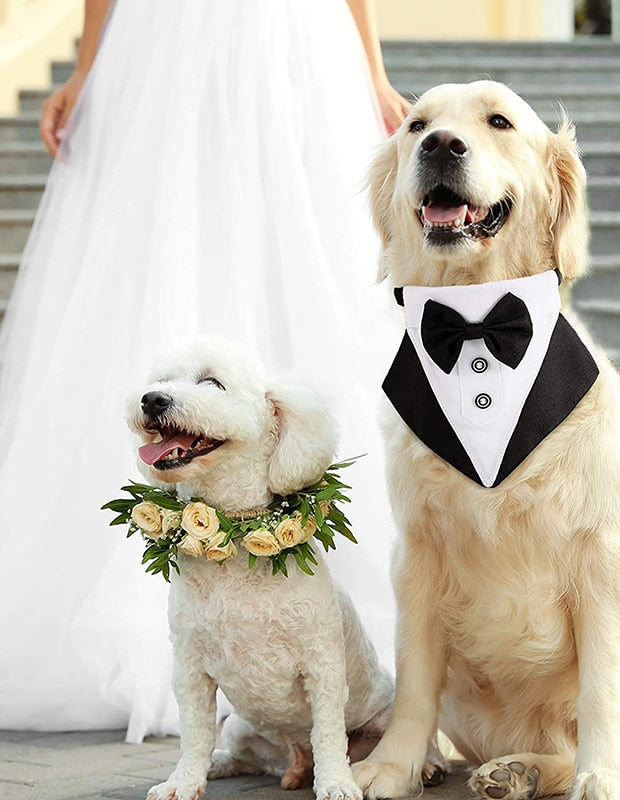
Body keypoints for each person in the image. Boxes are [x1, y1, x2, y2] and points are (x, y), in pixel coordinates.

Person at [0, 0, 409, 743]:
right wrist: (87, 69)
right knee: (164, 251)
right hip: (166, 41)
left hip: (289, 36)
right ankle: (186, 607)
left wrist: (373, 73)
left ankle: (308, 607)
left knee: (301, 260)